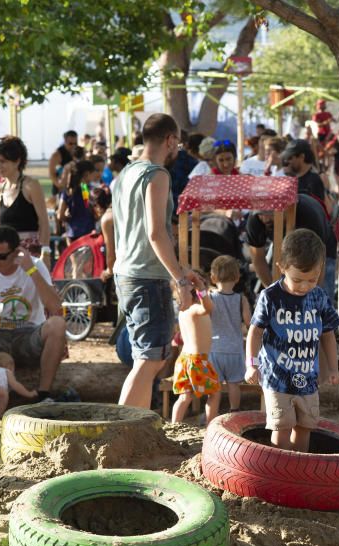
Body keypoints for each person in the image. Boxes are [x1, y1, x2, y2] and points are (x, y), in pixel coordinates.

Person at [112, 113, 205, 410]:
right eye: (176, 142)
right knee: (150, 360)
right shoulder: (157, 174)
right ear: (169, 140)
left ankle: (131, 426)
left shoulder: (126, 173)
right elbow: (156, 232)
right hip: (146, 278)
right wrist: (178, 279)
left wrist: (181, 270)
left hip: (126, 273)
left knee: (148, 358)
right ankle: (120, 428)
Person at [245, 229, 339, 452]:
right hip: (277, 378)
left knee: (306, 426)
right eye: (297, 280)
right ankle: (281, 469)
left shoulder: (319, 297)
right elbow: (255, 332)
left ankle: (299, 470)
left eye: (312, 279)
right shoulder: (270, 297)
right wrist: (251, 364)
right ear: (281, 267)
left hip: (308, 378)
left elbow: (327, 334)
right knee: (282, 426)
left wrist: (333, 368)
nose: (305, 286)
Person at [0, 226, 66, 400]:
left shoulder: (35, 265)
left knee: (57, 324)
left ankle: (43, 394)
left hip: (28, 336)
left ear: (16, 253)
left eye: (0, 256)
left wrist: (30, 270)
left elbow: (55, 307)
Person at [245, 194, 337, 303]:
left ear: (284, 208)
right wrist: (274, 291)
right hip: (287, 249)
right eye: (261, 214)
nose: (265, 218)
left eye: (269, 214)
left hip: (321, 251)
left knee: (321, 300)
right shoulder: (255, 220)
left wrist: (312, 298)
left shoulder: (309, 214)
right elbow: (258, 259)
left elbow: (320, 261)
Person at [0, 135, 50, 258]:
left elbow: (44, 221)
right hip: (4, 255)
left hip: (30, 253)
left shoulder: (31, 185)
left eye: (3, 161)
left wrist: (45, 250)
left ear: (17, 161)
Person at [206, 256, 251, 420]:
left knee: (214, 390)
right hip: (235, 349)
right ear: (237, 278)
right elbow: (248, 322)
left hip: (215, 349)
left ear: (212, 277)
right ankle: (234, 413)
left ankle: (210, 419)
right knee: (234, 385)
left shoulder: (210, 298)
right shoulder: (241, 299)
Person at [171, 283, 220, 423]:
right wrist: (202, 291)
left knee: (185, 397)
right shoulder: (195, 309)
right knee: (215, 393)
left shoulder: (183, 311)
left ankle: (174, 425)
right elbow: (209, 307)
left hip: (184, 359)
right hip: (197, 360)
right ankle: (210, 425)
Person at [55, 159, 99, 240]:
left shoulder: (68, 191)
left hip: (72, 233)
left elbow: (60, 215)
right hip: (88, 233)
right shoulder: (85, 189)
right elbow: (89, 208)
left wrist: (68, 218)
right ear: (87, 174)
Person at [48, 130, 78, 197]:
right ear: (65, 141)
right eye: (70, 143)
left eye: (75, 143)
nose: (73, 146)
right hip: (61, 190)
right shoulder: (57, 155)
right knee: (61, 207)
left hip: (77, 188)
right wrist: (60, 186)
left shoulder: (80, 152)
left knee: (86, 205)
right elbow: (51, 174)